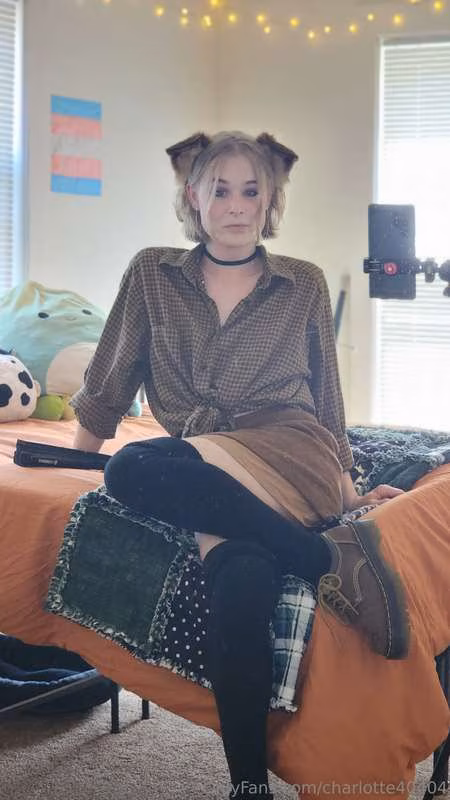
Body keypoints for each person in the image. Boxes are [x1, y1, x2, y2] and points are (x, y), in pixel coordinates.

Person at [71, 131, 410, 800]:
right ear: (192, 197)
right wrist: (73, 463)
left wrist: (348, 489)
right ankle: (249, 785)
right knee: (241, 584)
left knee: (132, 468)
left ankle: (315, 552)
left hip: (291, 449)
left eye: (251, 191)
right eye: (219, 189)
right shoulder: (152, 274)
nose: (235, 205)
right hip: (210, 464)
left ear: (270, 200)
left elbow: (326, 397)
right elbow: (109, 381)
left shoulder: (302, 283)